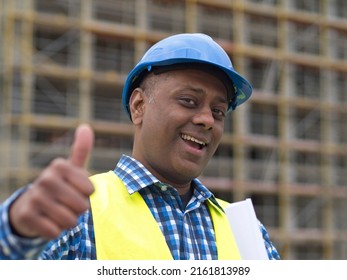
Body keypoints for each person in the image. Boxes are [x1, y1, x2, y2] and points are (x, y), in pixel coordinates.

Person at [0, 33, 280, 260]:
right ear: (139, 106)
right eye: (188, 101)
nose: (207, 120)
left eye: (218, 112)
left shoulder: (246, 232)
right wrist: (16, 232)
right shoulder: (78, 214)